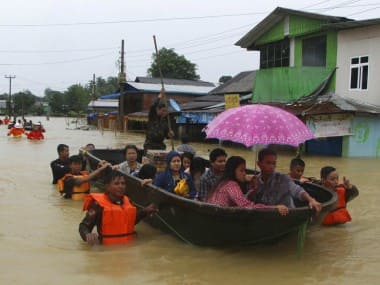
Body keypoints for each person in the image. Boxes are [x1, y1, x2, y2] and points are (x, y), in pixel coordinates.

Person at [79, 169, 157, 245]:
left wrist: (145, 212)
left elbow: (130, 222)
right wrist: (87, 235)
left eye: (123, 183)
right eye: (116, 184)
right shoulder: (98, 205)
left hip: (129, 249)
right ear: (107, 187)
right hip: (106, 251)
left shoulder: (128, 201)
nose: (121, 186)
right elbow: (84, 226)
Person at [207, 156, 289, 214]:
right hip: (219, 219)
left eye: (244, 170)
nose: (244, 173)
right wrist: (274, 208)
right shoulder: (231, 184)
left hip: (216, 215)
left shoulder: (223, 181)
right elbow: (246, 206)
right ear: (232, 171)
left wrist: (254, 188)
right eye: (241, 170)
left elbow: (241, 200)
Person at [251, 148, 322, 212]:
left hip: (289, 215)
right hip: (268, 216)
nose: (272, 167)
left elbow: (297, 190)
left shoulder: (282, 179)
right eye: (268, 163)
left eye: (274, 163)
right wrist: (253, 190)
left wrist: (311, 200)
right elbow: (252, 204)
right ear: (259, 164)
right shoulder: (255, 181)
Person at [143, 89, 175, 154]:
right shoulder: (152, 117)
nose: (164, 113)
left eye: (165, 111)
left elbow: (167, 136)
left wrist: (170, 135)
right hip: (150, 145)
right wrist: (160, 96)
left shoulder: (166, 122)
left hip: (160, 146)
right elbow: (153, 106)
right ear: (158, 110)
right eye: (163, 111)